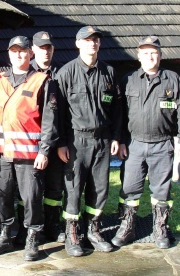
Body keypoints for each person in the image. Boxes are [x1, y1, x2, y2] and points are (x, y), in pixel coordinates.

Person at [112, 36, 180, 249]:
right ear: (139, 56)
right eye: (145, 53)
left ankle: (160, 228)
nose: (150, 57)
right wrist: (119, 140)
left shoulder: (172, 79)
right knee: (130, 188)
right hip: (134, 144)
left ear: (160, 55)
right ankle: (127, 227)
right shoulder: (129, 80)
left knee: (161, 190)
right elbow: (119, 114)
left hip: (162, 144)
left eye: (154, 53)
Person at [0, 35, 58, 261]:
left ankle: (33, 237)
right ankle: (5, 235)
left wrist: (45, 150)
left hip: (29, 153)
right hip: (2, 153)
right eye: (14, 51)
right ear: (8, 54)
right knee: (2, 195)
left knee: (32, 197)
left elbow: (50, 119)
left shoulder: (42, 81)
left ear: (30, 54)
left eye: (23, 51)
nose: (19, 55)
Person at [56, 26, 122, 257]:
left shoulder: (109, 73)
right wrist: (61, 143)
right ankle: (72, 234)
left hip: (102, 140)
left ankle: (94, 230)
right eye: (87, 40)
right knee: (73, 189)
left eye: (95, 40)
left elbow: (116, 109)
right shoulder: (66, 73)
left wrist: (116, 136)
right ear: (78, 44)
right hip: (76, 141)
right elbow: (58, 113)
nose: (92, 44)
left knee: (100, 188)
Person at [31, 31, 65, 243]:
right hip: (32, 142)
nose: (45, 51)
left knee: (54, 187)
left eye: (48, 47)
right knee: (30, 189)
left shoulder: (62, 73)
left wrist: (61, 142)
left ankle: (53, 225)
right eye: (41, 48)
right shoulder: (26, 74)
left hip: (55, 142)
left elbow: (66, 112)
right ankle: (30, 228)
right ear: (33, 50)